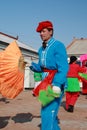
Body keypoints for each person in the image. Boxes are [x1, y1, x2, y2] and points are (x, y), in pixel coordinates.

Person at [30, 20, 69, 130]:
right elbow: (41, 67)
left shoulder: (58, 45)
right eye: (40, 32)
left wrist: (57, 83)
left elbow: (63, 67)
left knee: (48, 112)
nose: (41, 34)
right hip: (45, 83)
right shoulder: (41, 49)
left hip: (55, 82)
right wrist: (31, 65)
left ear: (51, 31)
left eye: (43, 31)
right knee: (47, 111)